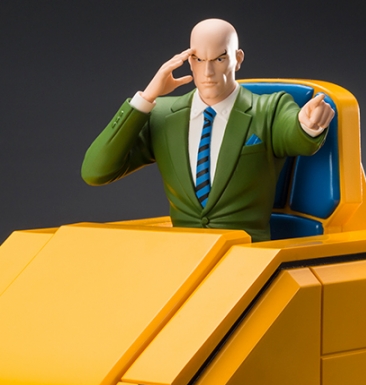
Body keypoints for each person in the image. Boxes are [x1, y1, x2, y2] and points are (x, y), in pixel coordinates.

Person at [81, 18, 335, 242]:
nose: (208, 71)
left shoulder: (270, 108)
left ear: (238, 59)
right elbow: (96, 172)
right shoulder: (163, 116)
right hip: (184, 257)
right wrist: (146, 99)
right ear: (189, 61)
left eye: (219, 59)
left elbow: (295, 136)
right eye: (199, 59)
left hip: (248, 257)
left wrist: (308, 124)